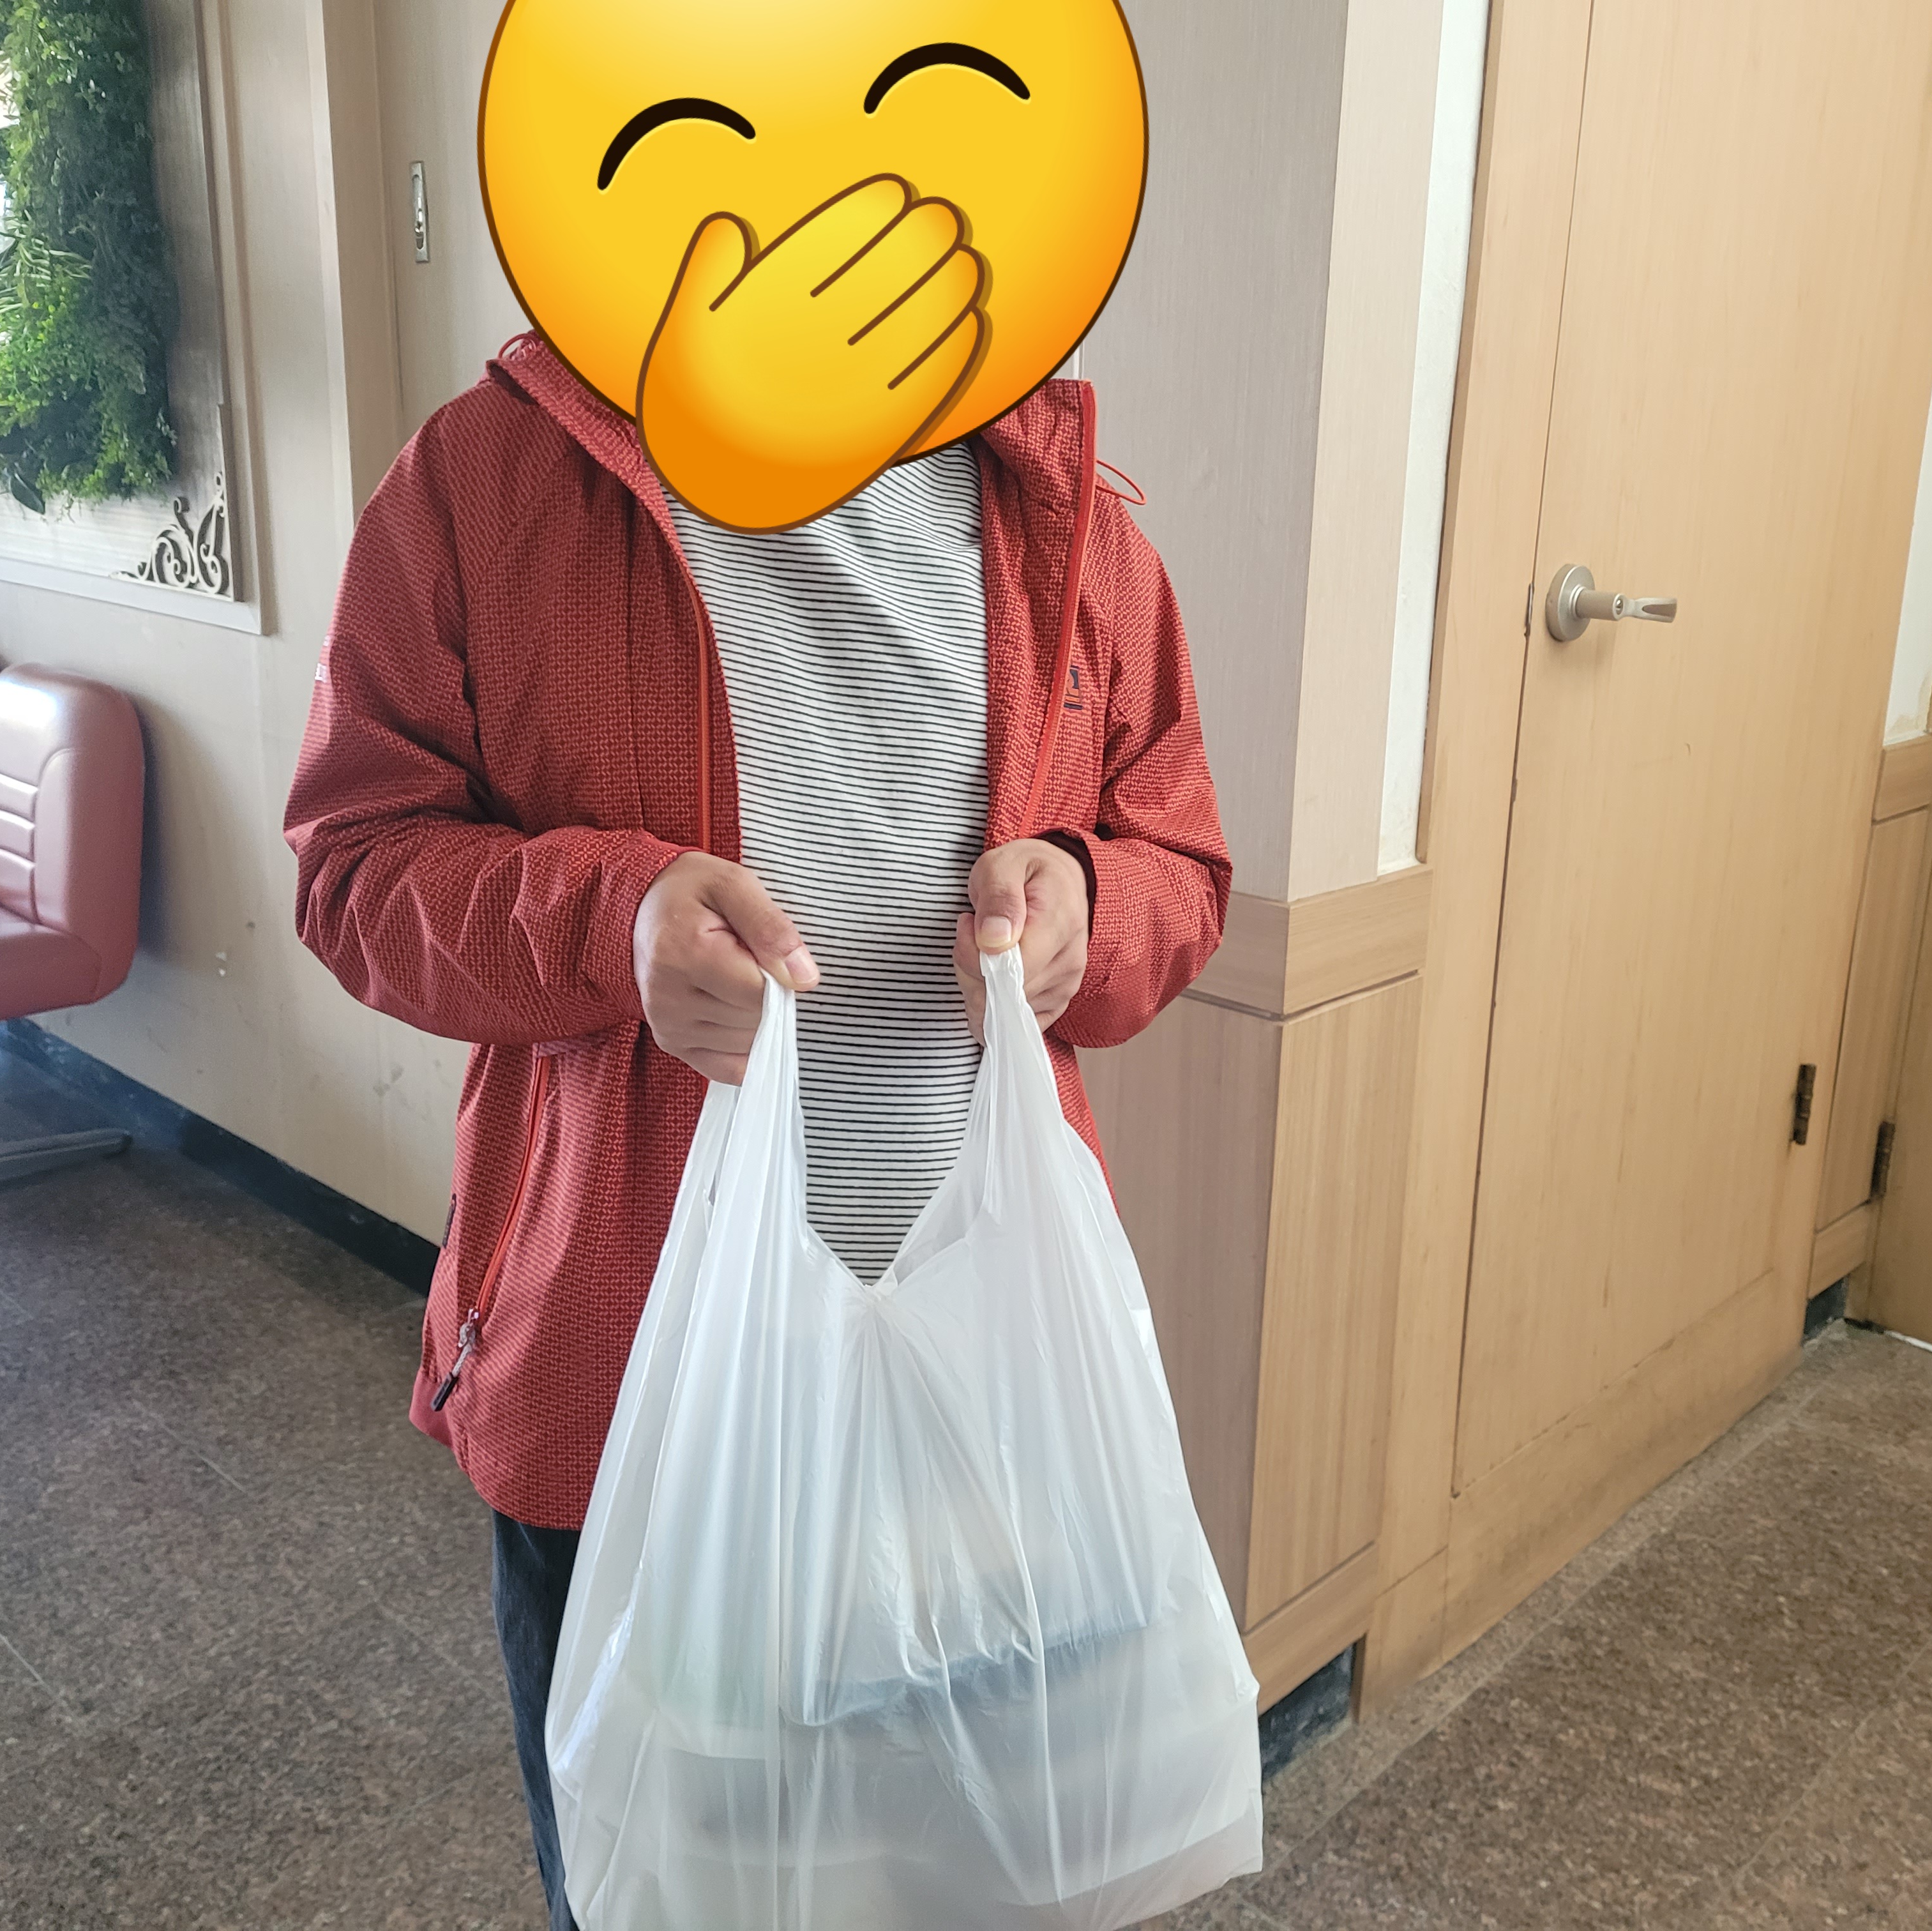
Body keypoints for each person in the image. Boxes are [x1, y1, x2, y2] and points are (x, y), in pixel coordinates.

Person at [283, 333, 1230, 1924]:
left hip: (990, 1397)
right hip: (633, 1396)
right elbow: (355, 866)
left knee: (989, 1878)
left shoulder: (1054, 501)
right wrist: (612, 922)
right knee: (661, 1887)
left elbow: (1179, 857)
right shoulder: (489, 478)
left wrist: (1090, 906)